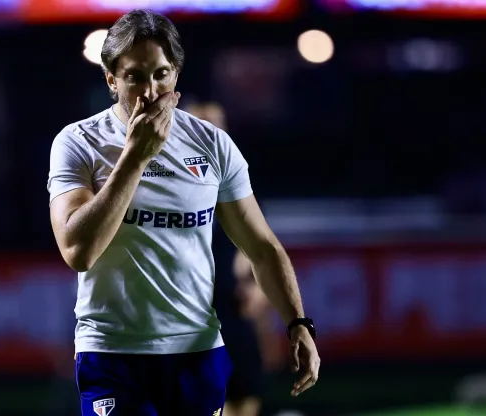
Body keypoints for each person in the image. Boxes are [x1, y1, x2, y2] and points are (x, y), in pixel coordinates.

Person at [47, 9, 320, 416]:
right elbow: (77, 251)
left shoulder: (212, 144)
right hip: (114, 353)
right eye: (134, 76)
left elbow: (262, 247)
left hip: (196, 352)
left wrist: (298, 323)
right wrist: (135, 158)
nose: (149, 90)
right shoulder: (78, 142)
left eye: (160, 74)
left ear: (175, 73)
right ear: (111, 79)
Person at [184, 101, 266, 416]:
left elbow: (259, 250)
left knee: (245, 398)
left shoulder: (238, 185)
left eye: (218, 125)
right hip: (189, 317)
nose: (212, 133)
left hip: (234, 314)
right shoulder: (165, 182)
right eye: (203, 125)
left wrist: (258, 290)